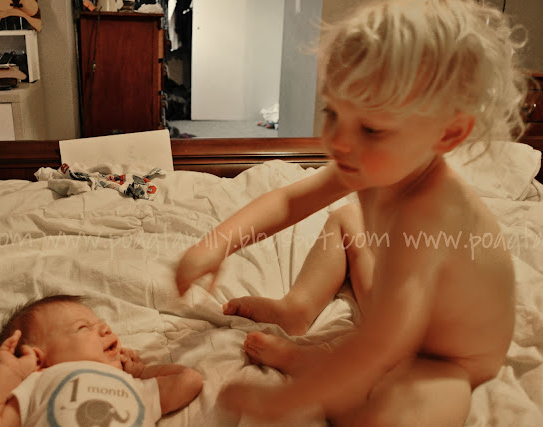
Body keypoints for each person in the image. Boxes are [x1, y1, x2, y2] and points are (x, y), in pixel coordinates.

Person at [175, 0, 526, 424]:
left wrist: (287, 397)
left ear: (448, 133)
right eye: (333, 113)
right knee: (346, 220)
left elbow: (379, 345)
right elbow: (288, 201)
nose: (340, 142)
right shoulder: (372, 163)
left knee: (408, 409)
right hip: (391, 303)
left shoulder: (431, 215)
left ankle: (314, 364)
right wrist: (215, 245)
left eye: (371, 128)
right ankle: (298, 308)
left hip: (445, 358)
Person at [0, 294, 203, 426]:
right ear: (38, 359)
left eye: (101, 324)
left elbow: (188, 381)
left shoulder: (133, 385)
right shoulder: (39, 384)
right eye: (83, 327)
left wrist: (139, 372)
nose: (106, 328)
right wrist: (8, 373)